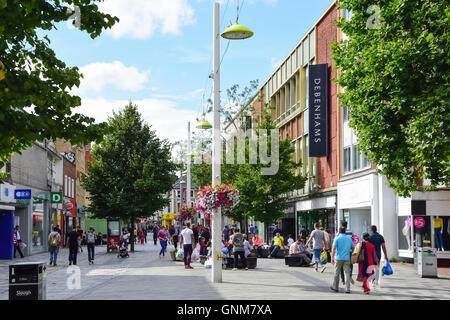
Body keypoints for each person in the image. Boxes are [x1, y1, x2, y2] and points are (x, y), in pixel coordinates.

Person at [330, 227, 355, 294]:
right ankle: (347, 289)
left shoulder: (337, 238)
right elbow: (353, 248)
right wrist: (351, 254)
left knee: (336, 272)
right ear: (345, 232)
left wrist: (332, 258)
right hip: (347, 258)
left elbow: (333, 249)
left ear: (339, 231)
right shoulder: (349, 239)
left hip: (338, 258)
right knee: (347, 273)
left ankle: (335, 287)